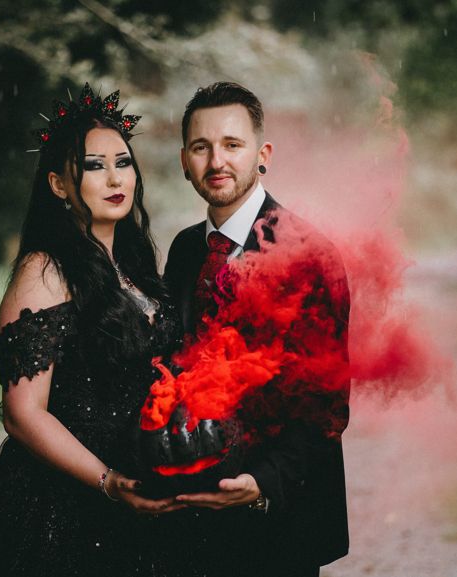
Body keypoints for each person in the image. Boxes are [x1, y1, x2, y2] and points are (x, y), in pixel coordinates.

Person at [0, 84, 184, 577]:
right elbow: (22, 414)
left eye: (123, 162)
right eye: (94, 165)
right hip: (63, 502)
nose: (115, 177)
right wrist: (108, 481)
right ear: (57, 184)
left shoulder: (134, 266)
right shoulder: (45, 271)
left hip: (138, 487)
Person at [161, 82, 351, 577]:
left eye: (232, 144)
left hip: (277, 523)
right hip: (190, 524)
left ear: (262, 154)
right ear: (184, 160)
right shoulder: (184, 251)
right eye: (201, 147)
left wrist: (263, 481)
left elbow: (326, 402)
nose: (216, 161)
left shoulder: (309, 254)